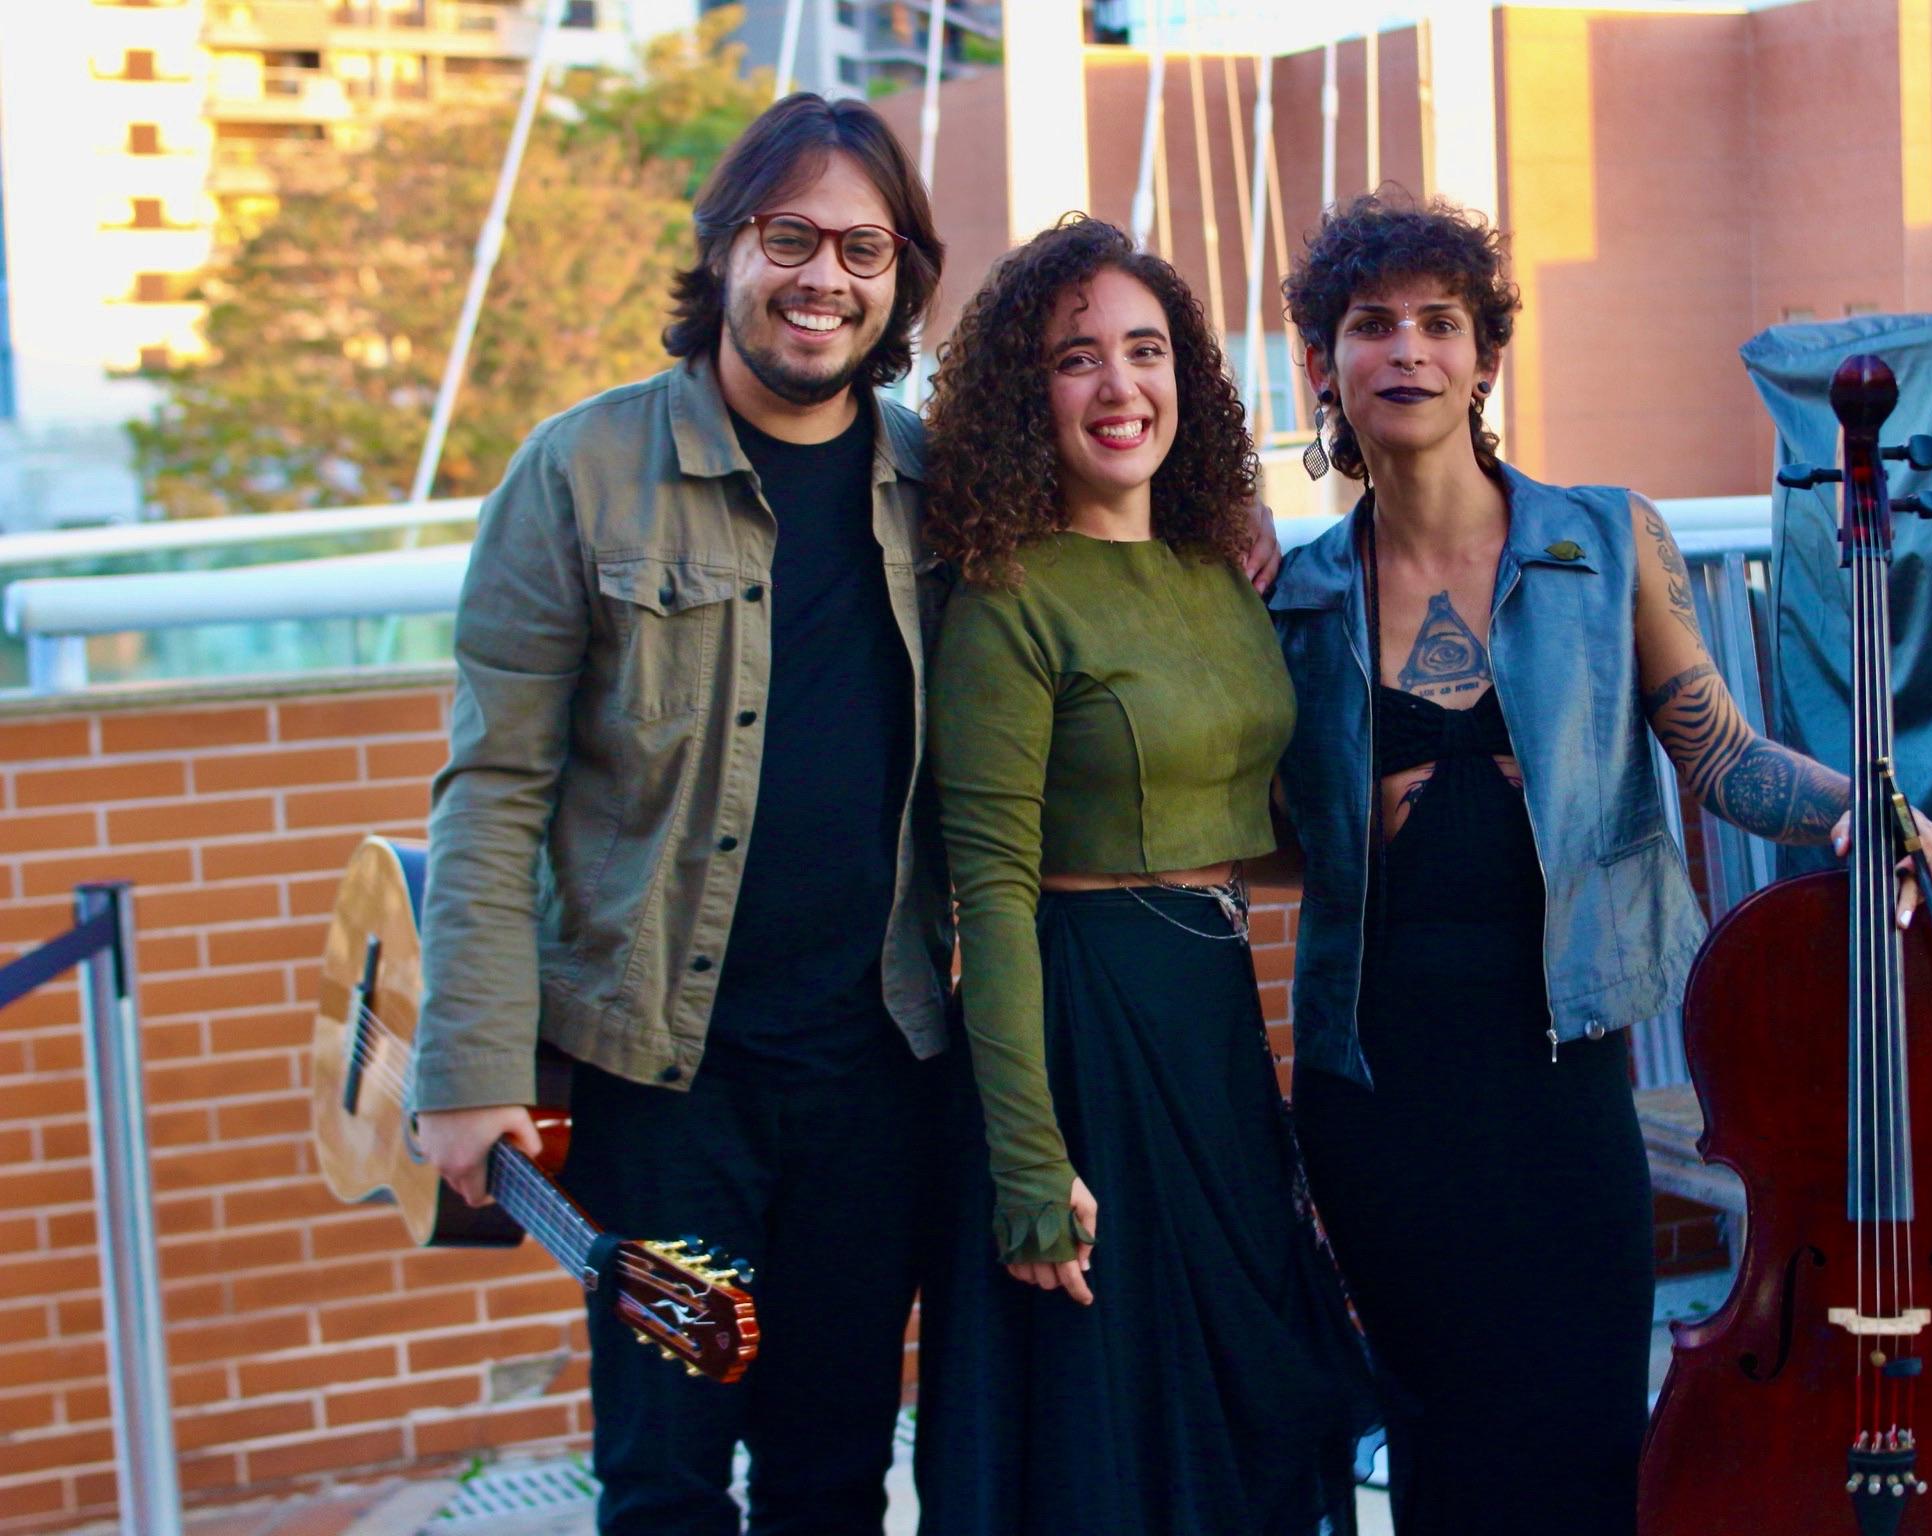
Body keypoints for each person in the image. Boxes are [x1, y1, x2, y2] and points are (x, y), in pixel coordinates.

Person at [1268, 191, 1932, 1536]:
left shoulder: (1603, 541)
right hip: (1382, 1089)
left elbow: (1721, 753)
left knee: (1589, 1433)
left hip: (1561, 1066)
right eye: (1371, 325)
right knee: (1434, 1443)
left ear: (1484, 358)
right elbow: (1278, 837)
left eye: (1440, 322)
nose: (1406, 350)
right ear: (1326, 363)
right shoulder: (1296, 597)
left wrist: (1868, 805)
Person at [407, 95, 960, 1535]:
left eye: (863, 248)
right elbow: (491, 789)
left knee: (835, 1472)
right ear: (724, 248)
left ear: (899, 279)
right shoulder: (580, 472)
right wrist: (465, 1068)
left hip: (875, 1070)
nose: (823, 278)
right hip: (662, 1086)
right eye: (790, 238)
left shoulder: (941, 487)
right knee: (664, 1478)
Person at [915, 216, 1376, 1536]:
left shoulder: (1217, 570)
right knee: (1110, 1430)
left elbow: (1246, 816)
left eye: (1146, 350)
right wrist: (1023, 1156)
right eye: (1077, 359)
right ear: (1024, 393)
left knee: (1250, 1406)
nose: (1120, 388)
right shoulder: (1007, 597)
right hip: (1078, 1031)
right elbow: (989, 894)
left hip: (1214, 1023)